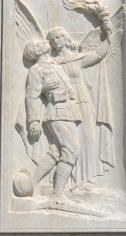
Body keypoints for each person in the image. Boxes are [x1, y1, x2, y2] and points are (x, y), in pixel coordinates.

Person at [46, 0, 119, 189]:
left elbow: (98, 55)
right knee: (70, 144)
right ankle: (69, 182)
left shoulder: (76, 59)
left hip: (83, 102)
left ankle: (86, 180)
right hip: (65, 106)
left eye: (58, 37)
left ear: (65, 38)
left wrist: (108, 34)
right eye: (52, 39)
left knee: (89, 138)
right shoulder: (52, 63)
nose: (55, 41)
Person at [23, 40, 82, 200]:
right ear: (35, 52)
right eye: (38, 44)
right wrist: (34, 121)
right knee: (71, 150)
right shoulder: (36, 70)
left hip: (69, 111)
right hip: (57, 111)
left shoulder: (55, 65)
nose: (44, 42)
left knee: (56, 152)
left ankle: (31, 185)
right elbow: (32, 96)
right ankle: (58, 194)